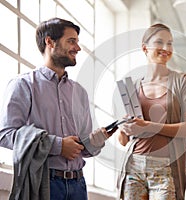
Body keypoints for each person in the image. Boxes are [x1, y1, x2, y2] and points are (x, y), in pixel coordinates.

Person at [0, 18, 115, 200]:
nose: (78, 48)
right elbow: (5, 134)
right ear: (50, 42)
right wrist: (58, 146)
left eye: (77, 42)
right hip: (45, 184)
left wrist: (96, 140)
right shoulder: (23, 85)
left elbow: (82, 148)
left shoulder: (80, 92)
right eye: (71, 41)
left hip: (78, 185)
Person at [116, 23, 186, 200]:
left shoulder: (182, 81)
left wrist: (148, 126)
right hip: (134, 166)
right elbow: (123, 141)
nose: (166, 48)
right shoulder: (133, 86)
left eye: (170, 43)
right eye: (160, 42)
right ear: (145, 48)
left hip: (166, 168)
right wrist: (124, 127)